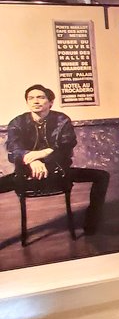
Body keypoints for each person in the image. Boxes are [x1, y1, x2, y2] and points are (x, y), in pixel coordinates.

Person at [0, 84, 109, 235]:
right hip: (25, 176)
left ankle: (91, 225)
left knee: (102, 176)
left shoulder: (62, 120)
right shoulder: (17, 122)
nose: (35, 101)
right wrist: (33, 161)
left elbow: (66, 146)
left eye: (40, 97)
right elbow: (14, 148)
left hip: (58, 173)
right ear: (27, 102)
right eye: (31, 98)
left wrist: (43, 153)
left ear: (50, 102)